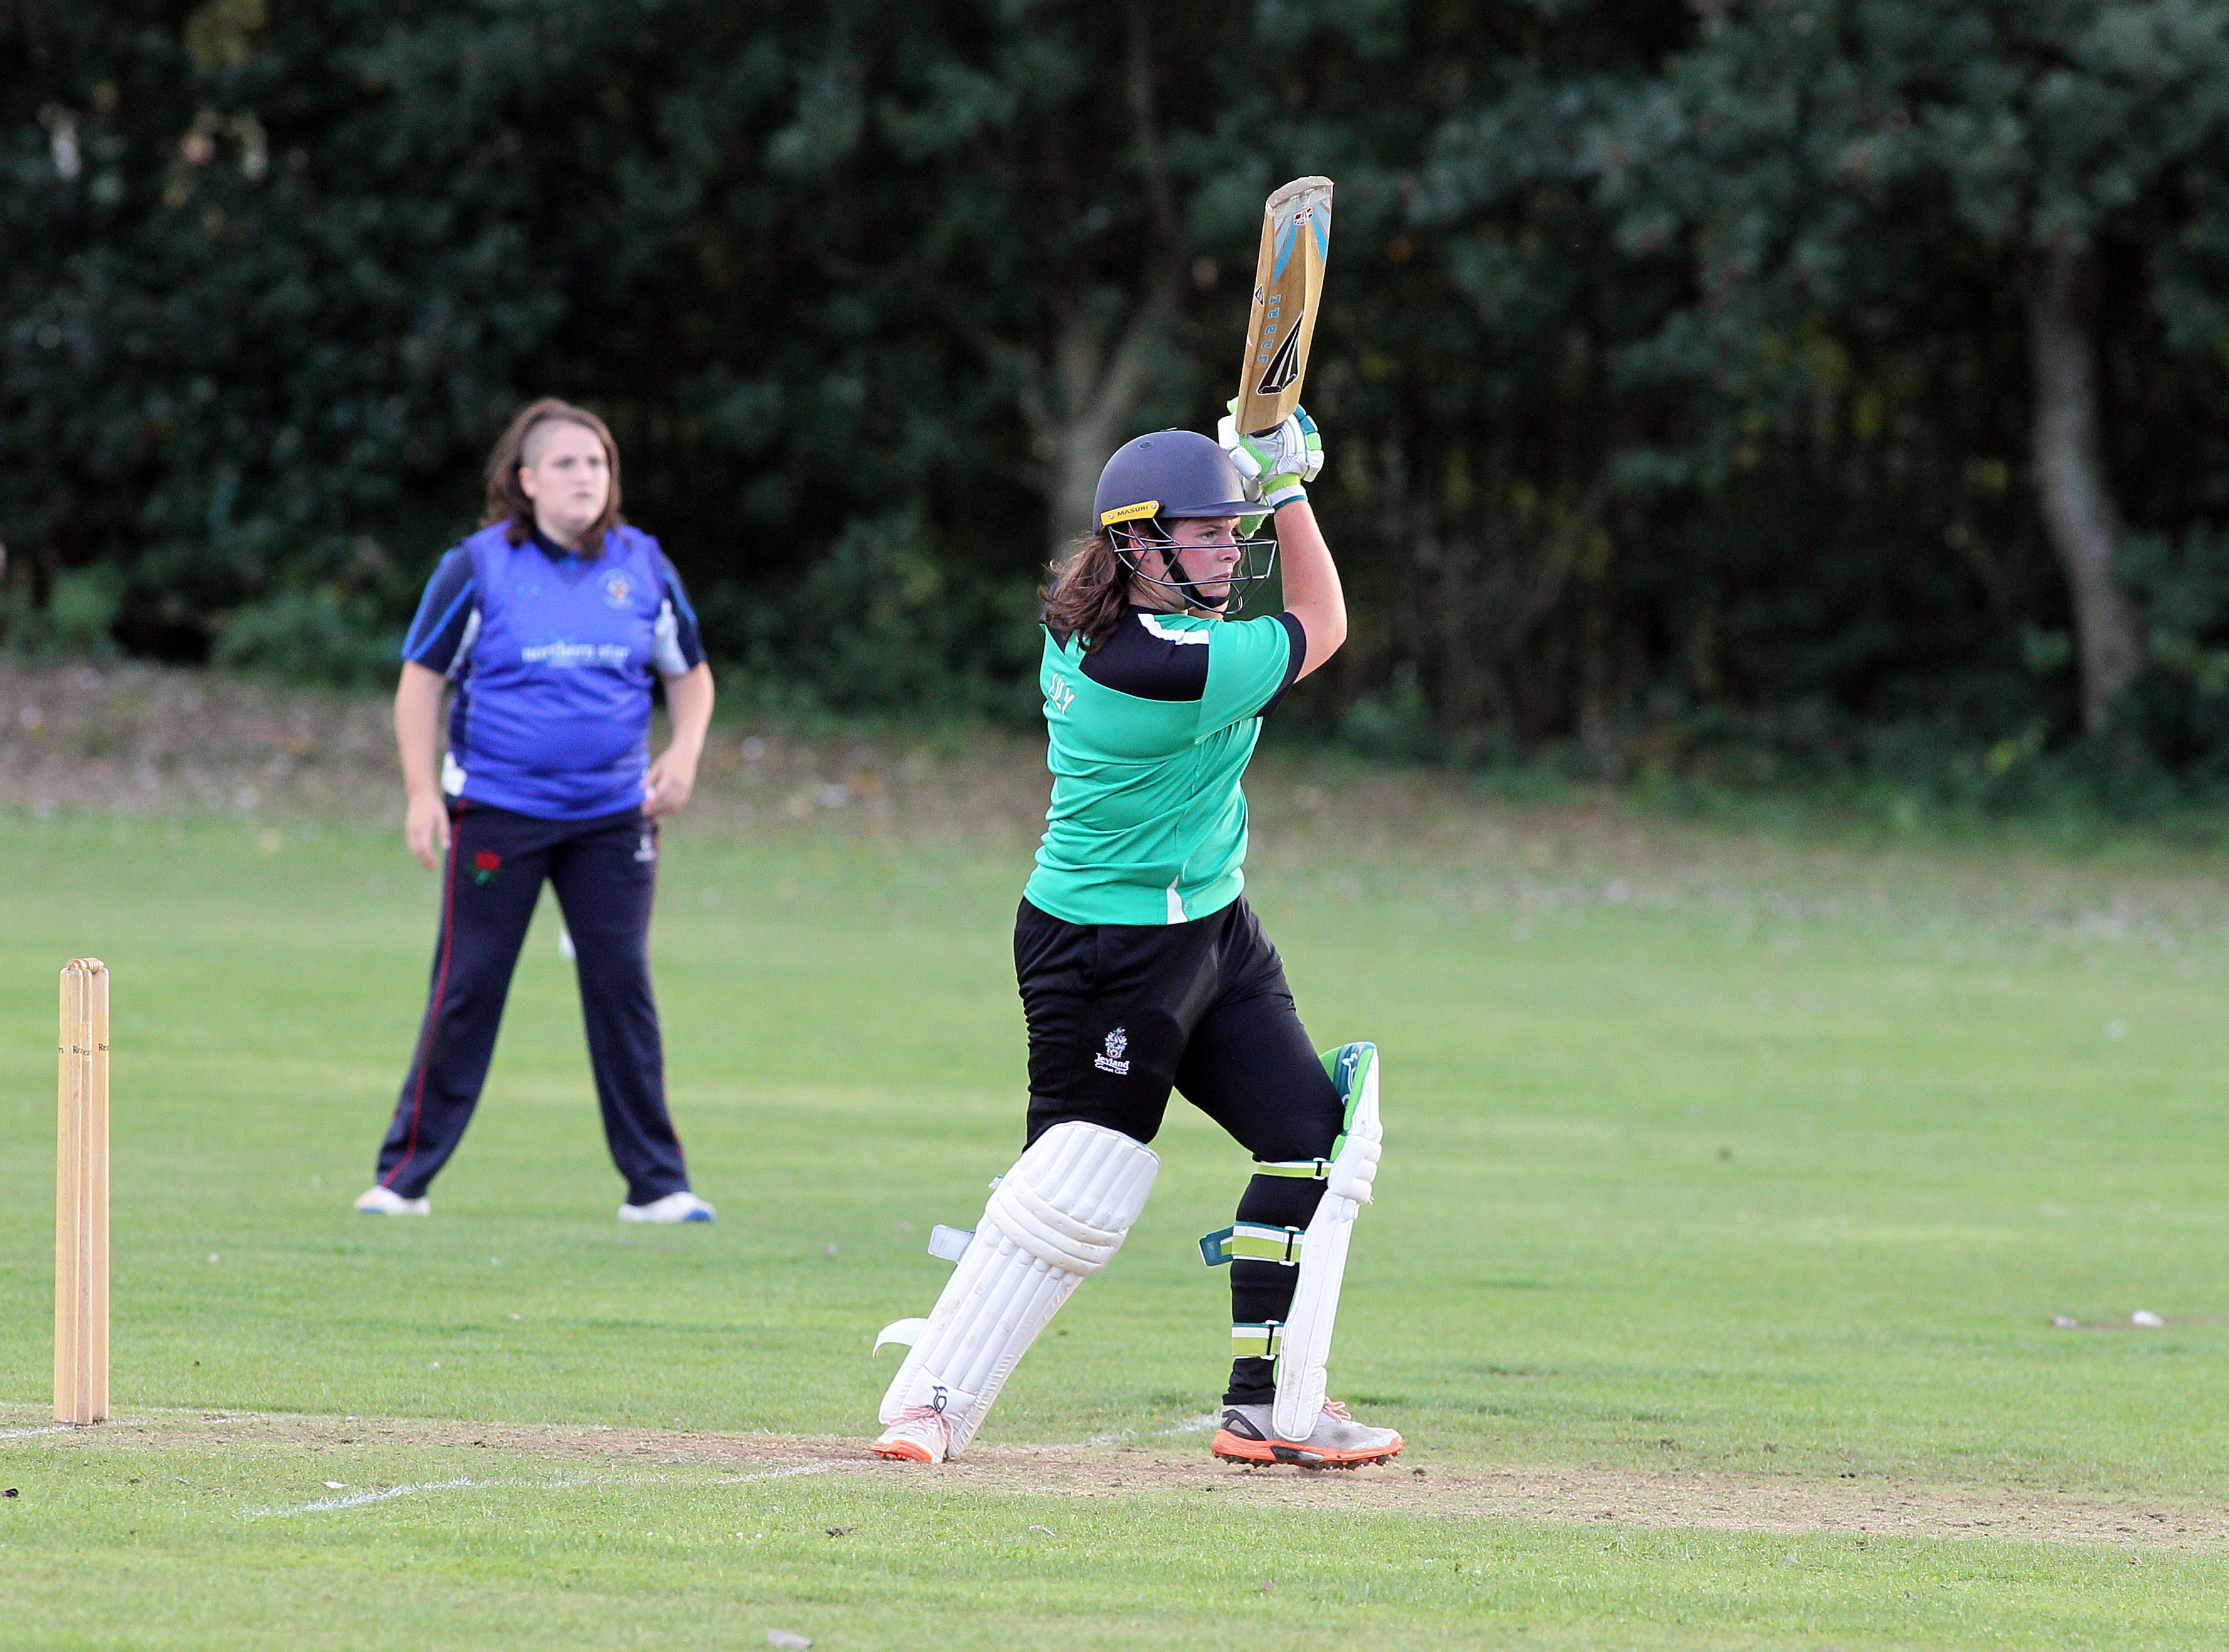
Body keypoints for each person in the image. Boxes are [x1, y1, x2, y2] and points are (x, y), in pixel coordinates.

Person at [867, 407, 1402, 1468]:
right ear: (1139, 546)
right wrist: (1287, 488)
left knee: (1311, 1136)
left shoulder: (1107, 610)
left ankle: (1267, 1408)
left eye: (1234, 530)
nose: (1230, 551)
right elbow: (1325, 620)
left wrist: (1239, 484)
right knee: (1069, 1187)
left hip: (1213, 928)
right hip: (1103, 949)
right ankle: (931, 1400)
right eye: (1206, 533)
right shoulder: (1158, 666)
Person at [352, 398, 718, 1225]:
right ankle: (402, 1180)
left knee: (622, 989)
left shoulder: (643, 565)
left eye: (598, 464)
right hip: (497, 812)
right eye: (566, 464)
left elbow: (691, 676)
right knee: (468, 987)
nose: (586, 478)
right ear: (526, 480)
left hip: (613, 817)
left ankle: (658, 1188)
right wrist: (421, 792)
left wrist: (685, 752)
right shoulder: (478, 567)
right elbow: (420, 682)